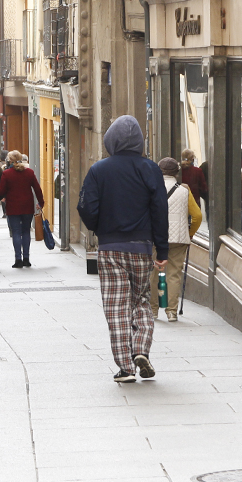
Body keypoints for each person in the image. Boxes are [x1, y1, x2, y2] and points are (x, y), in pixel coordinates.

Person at [78, 115, 169, 383]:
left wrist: (99, 228)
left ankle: (126, 367)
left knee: (117, 306)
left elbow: (86, 207)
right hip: (141, 248)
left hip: (110, 248)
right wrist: (161, 250)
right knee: (141, 299)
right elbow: (160, 211)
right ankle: (141, 349)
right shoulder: (150, 169)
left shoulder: (99, 170)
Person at [150, 158, 201, 321]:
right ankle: (172, 311)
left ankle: (153, 310)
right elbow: (197, 216)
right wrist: (189, 233)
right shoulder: (184, 190)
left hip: (154, 237)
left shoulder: (150, 188)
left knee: (153, 273)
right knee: (174, 274)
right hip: (178, 238)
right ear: (177, 173)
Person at [0, 150, 44, 268]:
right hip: (27, 206)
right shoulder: (29, 172)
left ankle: (18, 258)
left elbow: (1, 191)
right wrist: (41, 202)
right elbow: (37, 189)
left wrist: (0, 196)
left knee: (16, 232)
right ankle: (26, 258)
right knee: (26, 231)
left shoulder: (7, 174)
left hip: (13, 206)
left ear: (10, 160)